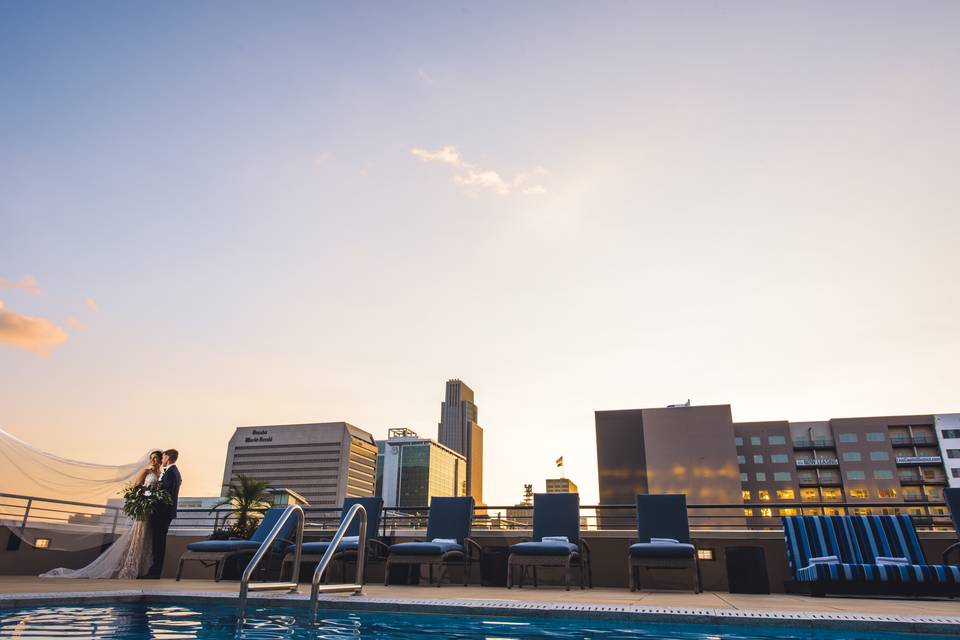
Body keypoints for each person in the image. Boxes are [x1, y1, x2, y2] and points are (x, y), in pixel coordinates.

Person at [41, 450, 163, 579]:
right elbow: (135, 488)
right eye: (152, 458)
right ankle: (129, 567)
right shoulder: (146, 472)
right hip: (143, 510)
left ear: (161, 460)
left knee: (147, 539)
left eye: (156, 458)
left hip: (152, 511)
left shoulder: (160, 474)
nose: (153, 460)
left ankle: (142, 569)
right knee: (138, 536)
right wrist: (142, 497)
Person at [144, 449, 181, 579]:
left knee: (158, 543)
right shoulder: (174, 472)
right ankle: (154, 571)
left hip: (162, 514)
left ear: (167, 457)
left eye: (163, 457)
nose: (161, 459)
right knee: (158, 543)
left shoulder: (171, 473)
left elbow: (166, 495)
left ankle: (155, 572)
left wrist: (151, 499)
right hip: (166, 513)